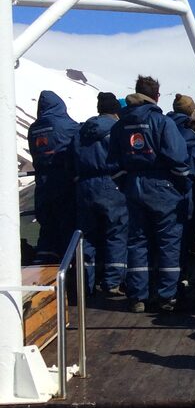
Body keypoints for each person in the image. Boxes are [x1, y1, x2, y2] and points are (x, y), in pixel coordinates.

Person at [106, 75, 190, 312]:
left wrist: (128, 183)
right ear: (156, 96)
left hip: (133, 186)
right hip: (162, 187)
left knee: (137, 241)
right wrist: (182, 184)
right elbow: (177, 158)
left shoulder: (120, 125)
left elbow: (113, 163)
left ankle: (137, 297)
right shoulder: (161, 122)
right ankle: (166, 296)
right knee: (168, 242)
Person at [69, 92, 127, 295]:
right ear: (116, 111)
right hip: (110, 182)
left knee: (87, 236)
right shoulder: (116, 129)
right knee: (116, 232)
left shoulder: (82, 131)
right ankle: (112, 282)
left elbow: (73, 156)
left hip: (84, 185)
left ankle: (85, 284)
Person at [28, 90, 80, 263]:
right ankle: (69, 271)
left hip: (42, 184)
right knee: (67, 225)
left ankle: (42, 266)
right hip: (63, 182)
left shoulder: (34, 129)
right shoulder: (67, 126)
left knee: (47, 227)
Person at [167, 94, 195, 292]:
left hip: (159, 189)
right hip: (187, 192)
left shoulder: (162, 126)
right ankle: (175, 285)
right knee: (180, 241)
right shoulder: (192, 134)